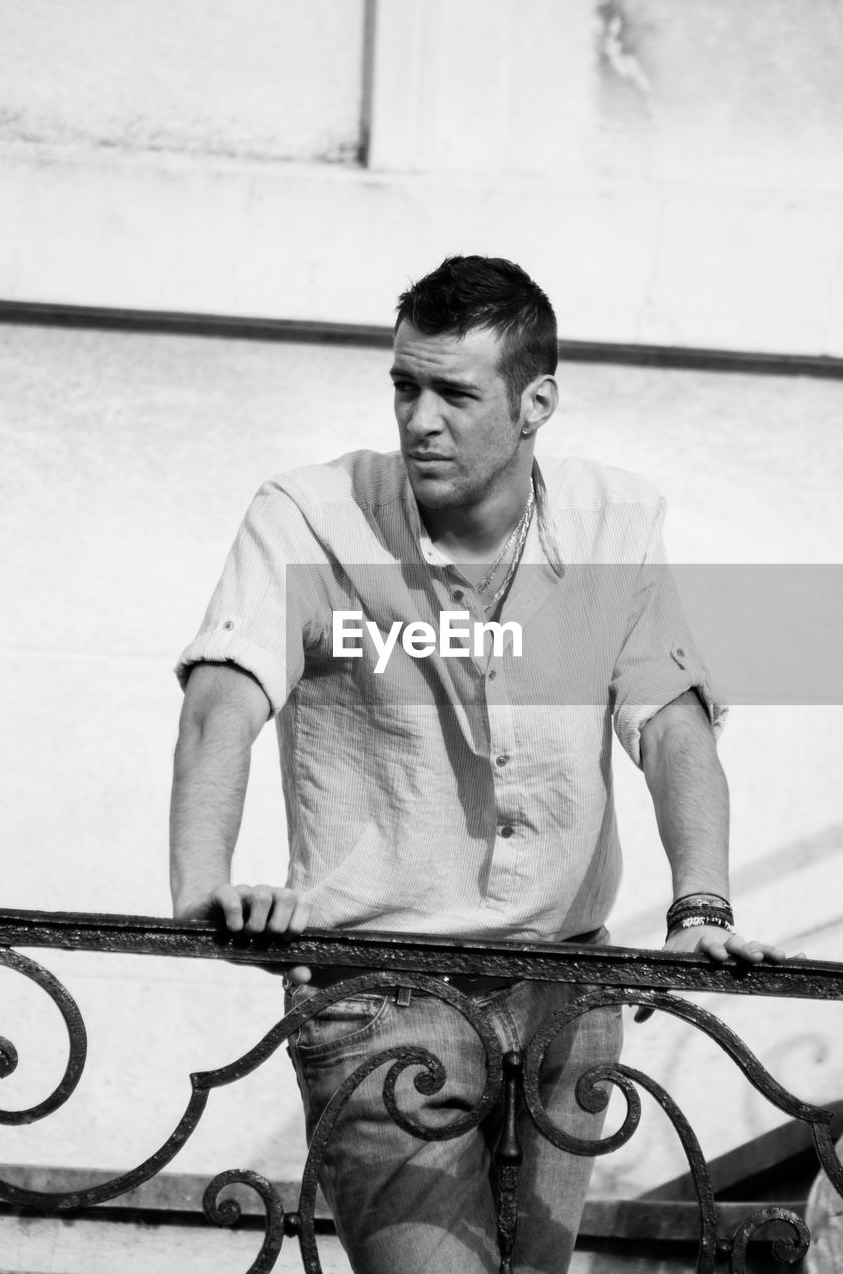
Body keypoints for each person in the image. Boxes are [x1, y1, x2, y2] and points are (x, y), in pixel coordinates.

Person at [170, 255, 788, 1274]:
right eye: (403, 386)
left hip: (566, 987)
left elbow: (672, 724)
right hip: (377, 992)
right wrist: (200, 886)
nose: (419, 418)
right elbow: (219, 705)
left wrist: (702, 905)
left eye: (453, 392)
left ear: (535, 400)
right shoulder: (307, 513)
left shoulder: (612, 522)